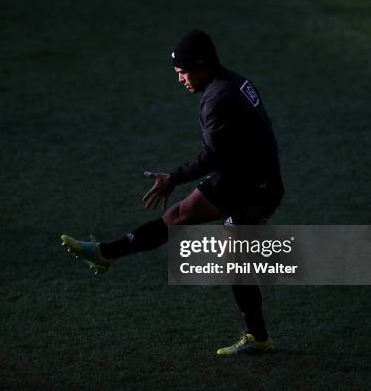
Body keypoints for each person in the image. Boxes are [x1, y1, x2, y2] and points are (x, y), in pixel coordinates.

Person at [61, 29, 284, 356]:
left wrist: (173, 178)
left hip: (257, 188)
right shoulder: (230, 82)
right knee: (176, 216)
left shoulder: (218, 98)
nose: (179, 79)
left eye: (182, 72)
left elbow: (212, 156)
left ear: (201, 65)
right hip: (238, 174)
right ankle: (105, 253)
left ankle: (258, 337)